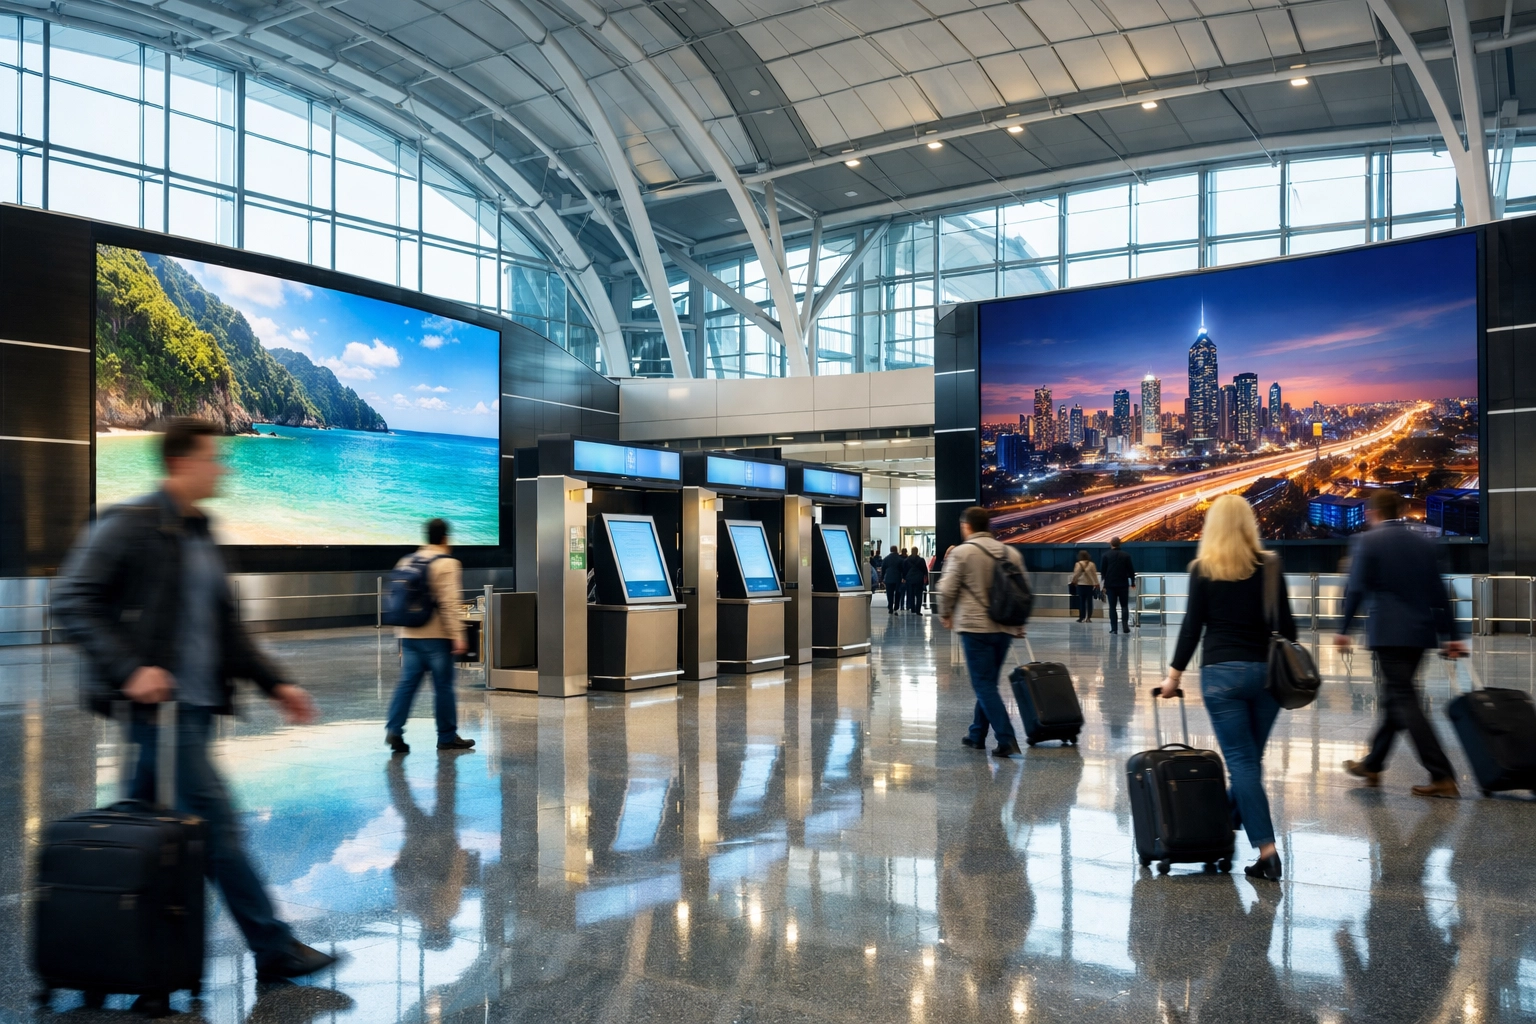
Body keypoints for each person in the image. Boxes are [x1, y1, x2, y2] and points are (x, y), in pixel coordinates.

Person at [53, 417, 338, 994]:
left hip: (196, 710)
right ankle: (273, 947)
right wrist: (131, 669)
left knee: (139, 828)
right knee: (219, 829)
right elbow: (72, 599)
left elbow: (227, 630)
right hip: (163, 711)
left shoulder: (201, 531)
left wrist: (275, 683)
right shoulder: (131, 525)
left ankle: (108, 943)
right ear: (182, 462)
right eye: (214, 457)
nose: (223, 466)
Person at [1159, 494, 1296, 882]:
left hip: (1221, 676)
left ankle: (1267, 852)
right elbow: (1289, 630)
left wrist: (1173, 676)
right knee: (1248, 763)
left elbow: (1191, 627)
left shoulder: (1203, 569)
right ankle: (1221, 821)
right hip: (1268, 678)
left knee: (1242, 764)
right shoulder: (1270, 567)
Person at [1334, 489, 1465, 798]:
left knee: (1404, 700)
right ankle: (1373, 764)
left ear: (1371, 513)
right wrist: (1452, 635)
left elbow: (1355, 590)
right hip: (1420, 633)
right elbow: (1439, 592)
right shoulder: (1423, 542)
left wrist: (1343, 628)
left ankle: (1442, 774)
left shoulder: (1367, 541)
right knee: (1396, 700)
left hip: (1388, 634)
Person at [938, 506, 1029, 758]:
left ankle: (1006, 738)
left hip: (976, 627)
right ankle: (976, 734)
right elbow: (1023, 590)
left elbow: (947, 588)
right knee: (988, 682)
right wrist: (1019, 622)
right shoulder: (1011, 552)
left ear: (966, 526)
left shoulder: (962, 552)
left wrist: (945, 613)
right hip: (1005, 627)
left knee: (983, 684)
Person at [386, 518, 475, 754]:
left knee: (407, 684)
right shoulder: (447, 563)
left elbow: (397, 599)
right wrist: (458, 635)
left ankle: (394, 729)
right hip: (436, 636)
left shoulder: (407, 560)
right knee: (443, 687)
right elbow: (449, 603)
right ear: (446, 538)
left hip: (409, 634)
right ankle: (446, 737)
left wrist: (401, 635)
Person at [1100, 537, 1137, 634]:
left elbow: (1103, 572)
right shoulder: (1126, 555)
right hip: (1123, 584)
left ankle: (1114, 628)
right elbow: (1131, 570)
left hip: (1110, 585)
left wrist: (1103, 585)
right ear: (1120, 544)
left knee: (1112, 607)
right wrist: (1132, 582)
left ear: (1111, 544)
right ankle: (1125, 627)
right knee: (1124, 606)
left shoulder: (1106, 555)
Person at [1070, 548, 1100, 623]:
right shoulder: (1092, 564)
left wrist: (1074, 581)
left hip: (1081, 585)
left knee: (1082, 601)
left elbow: (1076, 574)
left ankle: (1081, 617)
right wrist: (1096, 583)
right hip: (1090, 585)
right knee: (1090, 602)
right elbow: (1094, 575)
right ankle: (1088, 617)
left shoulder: (1078, 564)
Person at [882, 546, 906, 615]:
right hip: (897, 578)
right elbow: (903, 569)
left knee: (889, 593)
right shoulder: (900, 559)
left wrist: (882, 578)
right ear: (896, 550)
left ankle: (890, 607)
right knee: (898, 593)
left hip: (888, 578)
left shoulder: (886, 559)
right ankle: (896, 607)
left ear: (890, 550)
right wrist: (903, 577)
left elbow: (883, 568)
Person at [905, 547, 929, 613]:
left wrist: (904, 578)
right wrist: (926, 580)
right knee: (919, 595)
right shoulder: (921, 560)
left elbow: (904, 570)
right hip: (919, 579)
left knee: (911, 594)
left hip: (910, 579)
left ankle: (912, 609)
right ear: (917, 551)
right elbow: (925, 570)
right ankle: (918, 610)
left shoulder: (907, 560)